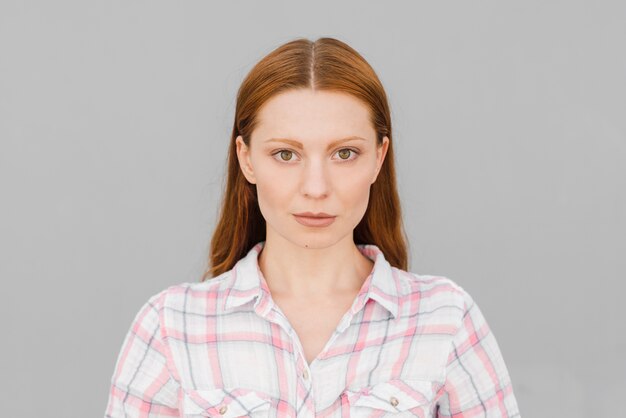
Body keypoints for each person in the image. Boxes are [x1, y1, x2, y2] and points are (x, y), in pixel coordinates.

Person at [104, 37, 521, 418]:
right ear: (246, 159)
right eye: (286, 154)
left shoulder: (445, 319)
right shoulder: (170, 327)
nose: (316, 188)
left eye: (344, 153)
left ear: (379, 157)